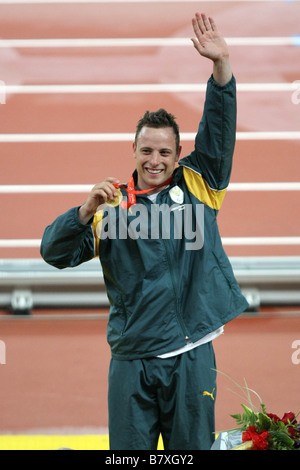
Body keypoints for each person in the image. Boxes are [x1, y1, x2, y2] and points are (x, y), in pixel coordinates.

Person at [40, 13, 248, 450]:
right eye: (147, 150)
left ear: (177, 156)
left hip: (191, 354)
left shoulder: (199, 184)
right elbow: (53, 252)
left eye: (165, 152)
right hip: (132, 358)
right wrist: (82, 211)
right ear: (133, 150)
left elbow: (218, 132)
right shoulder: (109, 204)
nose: (155, 160)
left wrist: (222, 66)